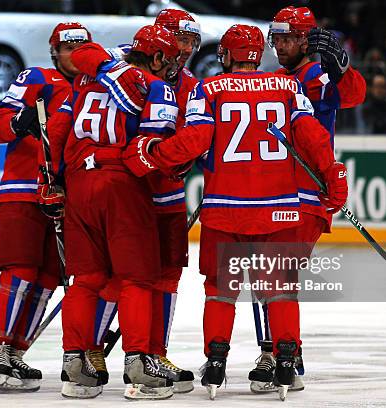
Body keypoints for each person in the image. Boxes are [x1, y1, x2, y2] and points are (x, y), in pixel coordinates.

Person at [121, 24, 348, 400]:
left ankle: (216, 362)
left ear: (226, 55)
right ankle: (287, 360)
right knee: (280, 288)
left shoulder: (206, 89)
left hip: (225, 208)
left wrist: (153, 156)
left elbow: (194, 141)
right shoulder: (288, 87)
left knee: (220, 290)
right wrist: (333, 175)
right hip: (279, 208)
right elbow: (312, 136)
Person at [70, 8, 202, 393]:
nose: (184, 49)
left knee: (165, 276)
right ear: (160, 39)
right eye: (178, 39)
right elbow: (82, 53)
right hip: (130, 190)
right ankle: (95, 352)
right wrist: (115, 71)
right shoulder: (122, 57)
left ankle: (153, 354)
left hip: (166, 193)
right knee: (121, 277)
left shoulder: (193, 84)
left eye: (191, 42)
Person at [51, 25, 181, 400]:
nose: (171, 65)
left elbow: (59, 128)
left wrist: (55, 179)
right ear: (155, 57)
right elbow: (154, 146)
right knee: (137, 278)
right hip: (121, 184)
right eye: (168, 58)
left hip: (78, 182)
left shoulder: (86, 81)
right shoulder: (156, 86)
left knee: (86, 278)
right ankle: (140, 362)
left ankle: (76, 363)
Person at [247, 6, 366, 393]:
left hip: (304, 195)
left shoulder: (315, 75)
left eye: (286, 38)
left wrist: (342, 67)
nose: (279, 45)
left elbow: (352, 96)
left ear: (304, 39)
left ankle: (278, 353)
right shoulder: (276, 79)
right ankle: (285, 352)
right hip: (275, 191)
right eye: (276, 38)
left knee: (273, 273)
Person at [0, 22, 91, 391]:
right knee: (20, 272)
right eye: (67, 48)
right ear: (54, 52)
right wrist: (18, 122)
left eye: (81, 48)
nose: (75, 55)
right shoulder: (36, 78)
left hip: (65, 199)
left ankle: (15, 352)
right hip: (23, 191)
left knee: (47, 279)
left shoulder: (94, 88)